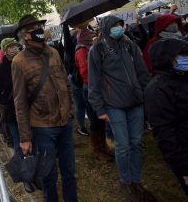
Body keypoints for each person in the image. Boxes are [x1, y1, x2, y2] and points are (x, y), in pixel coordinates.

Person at [88, 15, 155, 202]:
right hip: (114, 105)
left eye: (120, 25)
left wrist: (146, 95)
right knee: (123, 145)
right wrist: (99, 108)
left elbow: (142, 72)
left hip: (135, 103)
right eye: (115, 25)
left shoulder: (130, 46)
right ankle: (125, 182)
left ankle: (136, 180)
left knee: (136, 143)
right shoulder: (97, 50)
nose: (119, 28)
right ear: (107, 28)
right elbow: (94, 83)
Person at [12, 15, 77, 202]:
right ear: (26, 36)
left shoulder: (54, 53)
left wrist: (71, 110)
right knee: (49, 176)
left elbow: (65, 83)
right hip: (42, 128)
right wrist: (25, 137)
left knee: (70, 172)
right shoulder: (19, 61)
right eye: (35, 28)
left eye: (41, 25)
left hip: (64, 123)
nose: (41, 29)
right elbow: (20, 102)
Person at [144, 38, 188, 197]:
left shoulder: (183, 77)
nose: (186, 58)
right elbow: (164, 133)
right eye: (182, 55)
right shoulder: (157, 90)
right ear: (167, 59)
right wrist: (183, 168)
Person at [0, 38, 33, 192]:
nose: (13, 49)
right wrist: (8, 102)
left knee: (33, 143)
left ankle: (35, 171)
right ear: (5, 50)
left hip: (31, 110)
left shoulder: (25, 62)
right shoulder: (1, 69)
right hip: (13, 115)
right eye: (9, 47)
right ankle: (25, 178)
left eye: (15, 45)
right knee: (19, 144)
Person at [75, 28, 112, 161]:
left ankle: (104, 145)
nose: (90, 37)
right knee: (95, 119)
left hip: (96, 86)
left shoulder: (91, 49)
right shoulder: (81, 52)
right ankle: (97, 148)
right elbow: (85, 72)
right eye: (87, 35)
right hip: (89, 88)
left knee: (101, 118)